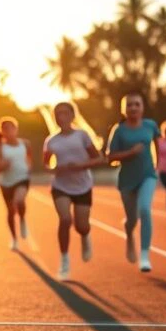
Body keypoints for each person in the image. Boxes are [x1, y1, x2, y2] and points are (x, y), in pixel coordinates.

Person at [42, 102, 104, 279]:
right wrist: (56, 169)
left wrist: (80, 165)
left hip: (82, 185)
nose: (61, 117)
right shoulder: (51, 141)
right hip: (60, 186)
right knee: (65, 219)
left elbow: (98, 159)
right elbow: (45, 165)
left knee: (82, 226)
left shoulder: (82, 136)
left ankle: (85, 236)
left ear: (72, 115)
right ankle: (64, 262)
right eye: (58, 114)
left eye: (64, 113)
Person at [106, 92, 161, 272]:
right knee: (132, 219)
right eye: (129, 105)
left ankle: (144, 256)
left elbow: (158, 144)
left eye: (137, 104)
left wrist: (157, 165)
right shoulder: (119, 130)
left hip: (148, 176)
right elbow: (110, 157)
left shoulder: (150, 125)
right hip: (127, 180)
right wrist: (130, 153)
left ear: (142, 107)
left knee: (145, 209)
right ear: (124, 110)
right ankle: (129, 233)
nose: (133, 108)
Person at [0, 117, 33, 250]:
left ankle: (22, 219)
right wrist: (3, 166)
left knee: (19, 201)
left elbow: (30, 159)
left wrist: (28, 168)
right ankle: (14, 239)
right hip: (6, 182)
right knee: (10, 211)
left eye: (11, 128)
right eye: (5, 129)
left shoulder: (25, 143)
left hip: (22, 178)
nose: (8, 131)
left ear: (16, 129)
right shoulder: (0, 147)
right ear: (1, 131)